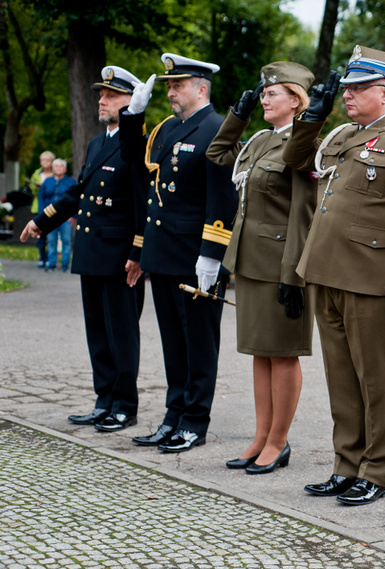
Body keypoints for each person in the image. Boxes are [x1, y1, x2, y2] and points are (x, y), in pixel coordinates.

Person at [282, 47, 385, 505]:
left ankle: (377, 470)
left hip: (372, 277)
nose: (348, 94)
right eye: (346, 87)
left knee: (377, 379)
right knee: (341, 378)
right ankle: (346, 464)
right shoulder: (343, 134)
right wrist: (313, 115)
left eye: (358, 87)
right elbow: (296, 159)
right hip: (327, 271)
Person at [119, 53, 237, 453]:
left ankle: (194, 421)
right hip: (165, 253)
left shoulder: (218, 129)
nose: (170, 92)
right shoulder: (170, 128)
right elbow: (135, 160)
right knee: (173, 340)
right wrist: (133, 115)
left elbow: (222, 199)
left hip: (195, 256)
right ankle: (174, 414)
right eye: (169, 86)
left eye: (178, 85)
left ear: (201, 89)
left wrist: (212, 254)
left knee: (199, 342)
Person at [20, 66, 147, 432]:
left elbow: (143, 200)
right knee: (98, 331)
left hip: (120, 256)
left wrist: (138, 251)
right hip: (92, 251)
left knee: (122, 332)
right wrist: (42, 220)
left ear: (129, 101)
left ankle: (125, 405)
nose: (102, 101)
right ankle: (104, 399)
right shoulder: (97, 142)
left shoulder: (135, 141)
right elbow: (78, 193)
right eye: (101, 96)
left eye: (110, 96)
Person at [206, 61, 316, 474]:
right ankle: (260, 435)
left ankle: (278, 441)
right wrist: (239, 114)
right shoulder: (258, 141)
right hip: (250, 262)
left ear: (296, 100)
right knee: (259, 352)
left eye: (273, 93)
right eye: (263, 92)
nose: (265, 97)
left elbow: (302, 214)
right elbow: (217, 154)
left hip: (280, 266)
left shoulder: (304, 144)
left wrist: (294, 275)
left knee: (283, 354)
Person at [38, 159, 76, 272]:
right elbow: (41, 198)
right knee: (51, 240)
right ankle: (52, 263)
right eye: (56, 166)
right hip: (50, 216)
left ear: (65, 169)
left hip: (66, 216)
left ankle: (65, 264)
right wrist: (42, 216)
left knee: (66, 240)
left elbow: (75, 199)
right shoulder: (47, 181)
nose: (59, 168)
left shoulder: (70, 182)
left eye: (61, 166)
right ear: (53, 169)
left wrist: (74, 216)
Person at [27, 151, 55, 268]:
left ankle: (50, 258)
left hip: (53, 207)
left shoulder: (56, 173)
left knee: (51, 234)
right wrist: (37, 186)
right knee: (39, 234)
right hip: (38, 207)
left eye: (48, 160)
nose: (45, 162)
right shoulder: (36, 173)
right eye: (43, 160)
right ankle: (42, 257)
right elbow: (32, 190)